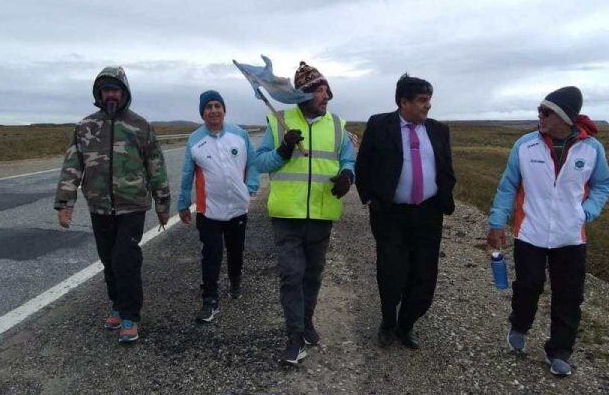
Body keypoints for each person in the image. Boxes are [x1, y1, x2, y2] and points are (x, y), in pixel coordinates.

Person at [487, 86, 609, 377]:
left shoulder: (592, 149)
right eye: (539, 111)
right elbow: (508, 186)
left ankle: (560, 351)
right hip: (530, 231)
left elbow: (604, 184)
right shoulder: (525, 145)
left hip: (570, 236)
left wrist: (587, 211)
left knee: (569, 295)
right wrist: (497, 222)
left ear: (565, 117)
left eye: (546, 112)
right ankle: (519, 325)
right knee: (528, 285)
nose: (540, 116)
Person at [54, 66, 170, 343]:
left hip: (132, 206)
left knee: (125, 259)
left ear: (124, 93)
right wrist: (64, 203)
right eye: (106, 90)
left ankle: (130, 316)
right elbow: (73, 165)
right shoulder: (85, 127)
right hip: (99, 207)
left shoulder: (140, 126)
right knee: (108, 259)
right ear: (99, 93)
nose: (111, 95)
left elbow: (156, 167)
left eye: (115, 90)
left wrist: (163, 204)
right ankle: (117, 304)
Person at [254, 61, 356, 365]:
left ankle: (307, 320)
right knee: (291, 276)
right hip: (287, 215)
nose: (326, 97)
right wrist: (284, 150)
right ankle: (294, 337)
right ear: (302, 95)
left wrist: (347, 178)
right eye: (320, 91)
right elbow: (260, 164)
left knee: (312, 275)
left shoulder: (337, 125)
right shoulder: (279, 122)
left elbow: (348, 161)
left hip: (322, 214)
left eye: (327, 91)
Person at [355, 74, 456, 350]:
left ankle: (406, 324)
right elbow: (363, 165)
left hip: (428, 214)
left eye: (429, 100)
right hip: (390, 215)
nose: (428, 106)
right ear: (403, 102)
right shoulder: (379, 125)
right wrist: (370, 199)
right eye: (423, 100)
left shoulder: (438, 130)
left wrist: (445, 195)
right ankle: (388, 322)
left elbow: (446, 167)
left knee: (424, 274)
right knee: (391, 271)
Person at [178, 90, 259, 323]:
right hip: (209, 210)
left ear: (224, 109)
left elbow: (252, 163)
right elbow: (186, 174)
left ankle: (235, 280)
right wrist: (183, 203)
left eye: (217, 106)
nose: (213, 110)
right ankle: (210, 300)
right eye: (208, 107)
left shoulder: (239, 134)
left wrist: (251, 185)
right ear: (202, 113)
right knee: (211, 255)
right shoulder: (195, 140)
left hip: (237, 208)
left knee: (236, 251)